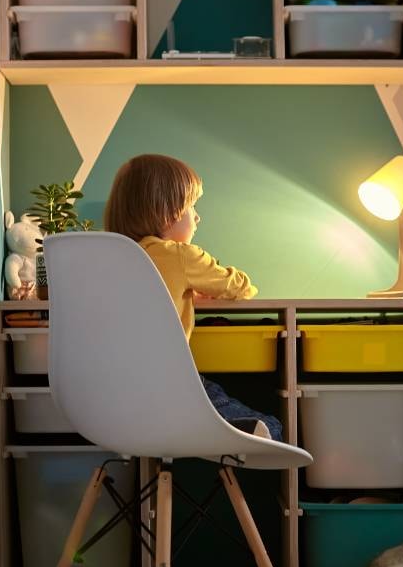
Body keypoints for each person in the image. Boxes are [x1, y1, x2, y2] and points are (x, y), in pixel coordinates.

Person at [103, 153, 284, 441]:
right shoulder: (179, 255)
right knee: (273, 428)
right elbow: (239, 287)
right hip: (168, 383)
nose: (197, 216)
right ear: (167, 212)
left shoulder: (108, 257)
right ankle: (238, 431)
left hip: (109, 390)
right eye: (192, 206)